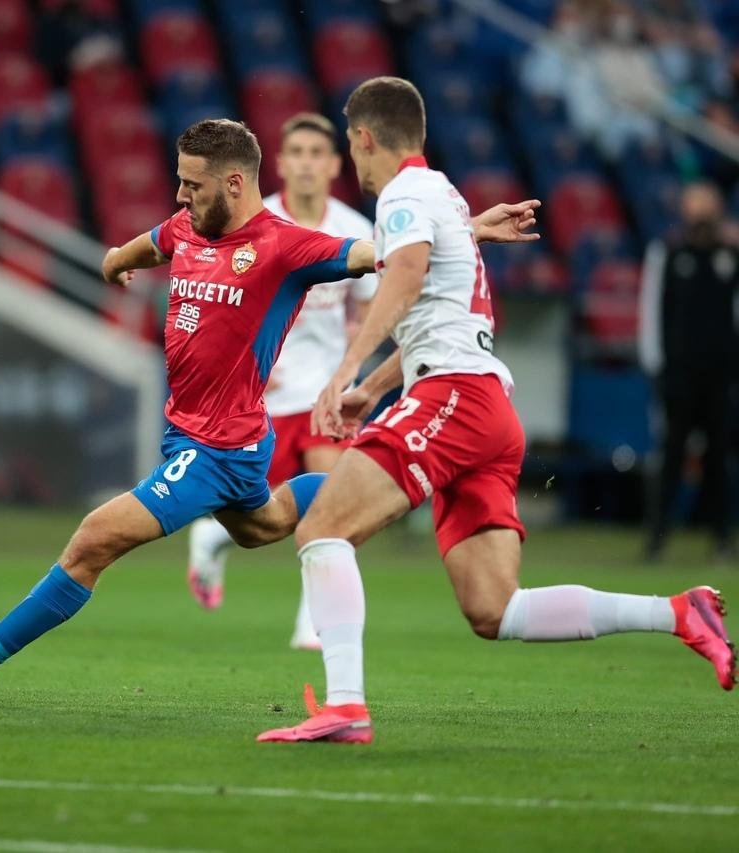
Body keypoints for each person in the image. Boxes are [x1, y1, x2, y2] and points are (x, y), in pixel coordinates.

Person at [0, 118, 540, 702]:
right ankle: (383, 486)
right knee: (263, 525)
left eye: (193, 184)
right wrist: (115, 261)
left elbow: (378, 251)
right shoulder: (188, 225)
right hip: (202, 435)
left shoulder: (285, 246)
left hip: (218, 449)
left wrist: (470, 230)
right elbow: (153, 244)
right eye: (180, 181)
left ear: (235, 183)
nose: (181, 194)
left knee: (94, 539)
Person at [257, 77, 734, 747]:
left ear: (363, 139)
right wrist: (379, 384)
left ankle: (346, 707)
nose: (354, 164)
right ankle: (679, 612)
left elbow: (405, 280)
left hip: (452, 399)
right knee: (494, 609)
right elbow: (438, 318)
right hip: (484, 407)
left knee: (322, 527)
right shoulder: (443, 194)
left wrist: (347, 371)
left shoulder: (403, 196)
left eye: (352, 148)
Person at [186, 112, 377, 650]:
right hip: (261, 395)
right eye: (297, 153)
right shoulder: (253, 222)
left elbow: (366, 311)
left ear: (334, 164)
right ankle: (211, 539)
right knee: (254, 516)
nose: (307, 163)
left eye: (317, 154)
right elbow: (217, 300)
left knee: (332, 506)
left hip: (323, 395)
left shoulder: (356, 231)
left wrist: (351, 369)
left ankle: (310, 624)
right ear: (281, 163)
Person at [638, 181, 738, 562]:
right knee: (671, 456)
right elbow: (651, 311)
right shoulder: (666, 253)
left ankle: (722, 538)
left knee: (719, 458)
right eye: (695, 203)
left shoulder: (729, 256)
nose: (701, 211)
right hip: (678, 374)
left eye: (707, 203)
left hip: (721, 374)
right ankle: (657, 538)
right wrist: (656, 366)